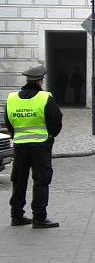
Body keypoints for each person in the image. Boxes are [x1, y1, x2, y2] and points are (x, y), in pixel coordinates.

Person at [4, 65, 63, 229]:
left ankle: (16, 216)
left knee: (19, 180)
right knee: (41, 181)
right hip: (40, 147)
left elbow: (8, 122)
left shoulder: (12, 98)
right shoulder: (44, 98)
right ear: (40, 81)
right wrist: (50, 136)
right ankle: (39, 217)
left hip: (20, 146)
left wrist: (18, 135)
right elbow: (56, 120)